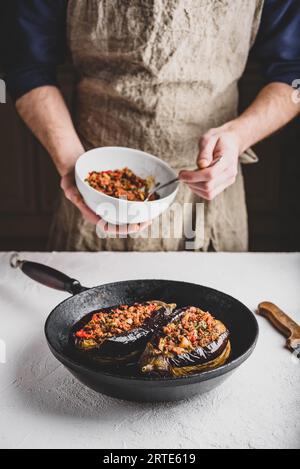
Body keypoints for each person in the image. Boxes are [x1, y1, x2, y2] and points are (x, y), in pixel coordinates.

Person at [5, 0, 300, 251]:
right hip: (91, 183)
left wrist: (239, 136)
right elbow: (26, 66)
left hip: (207, 189)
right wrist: (73, 167)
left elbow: (292, 73)